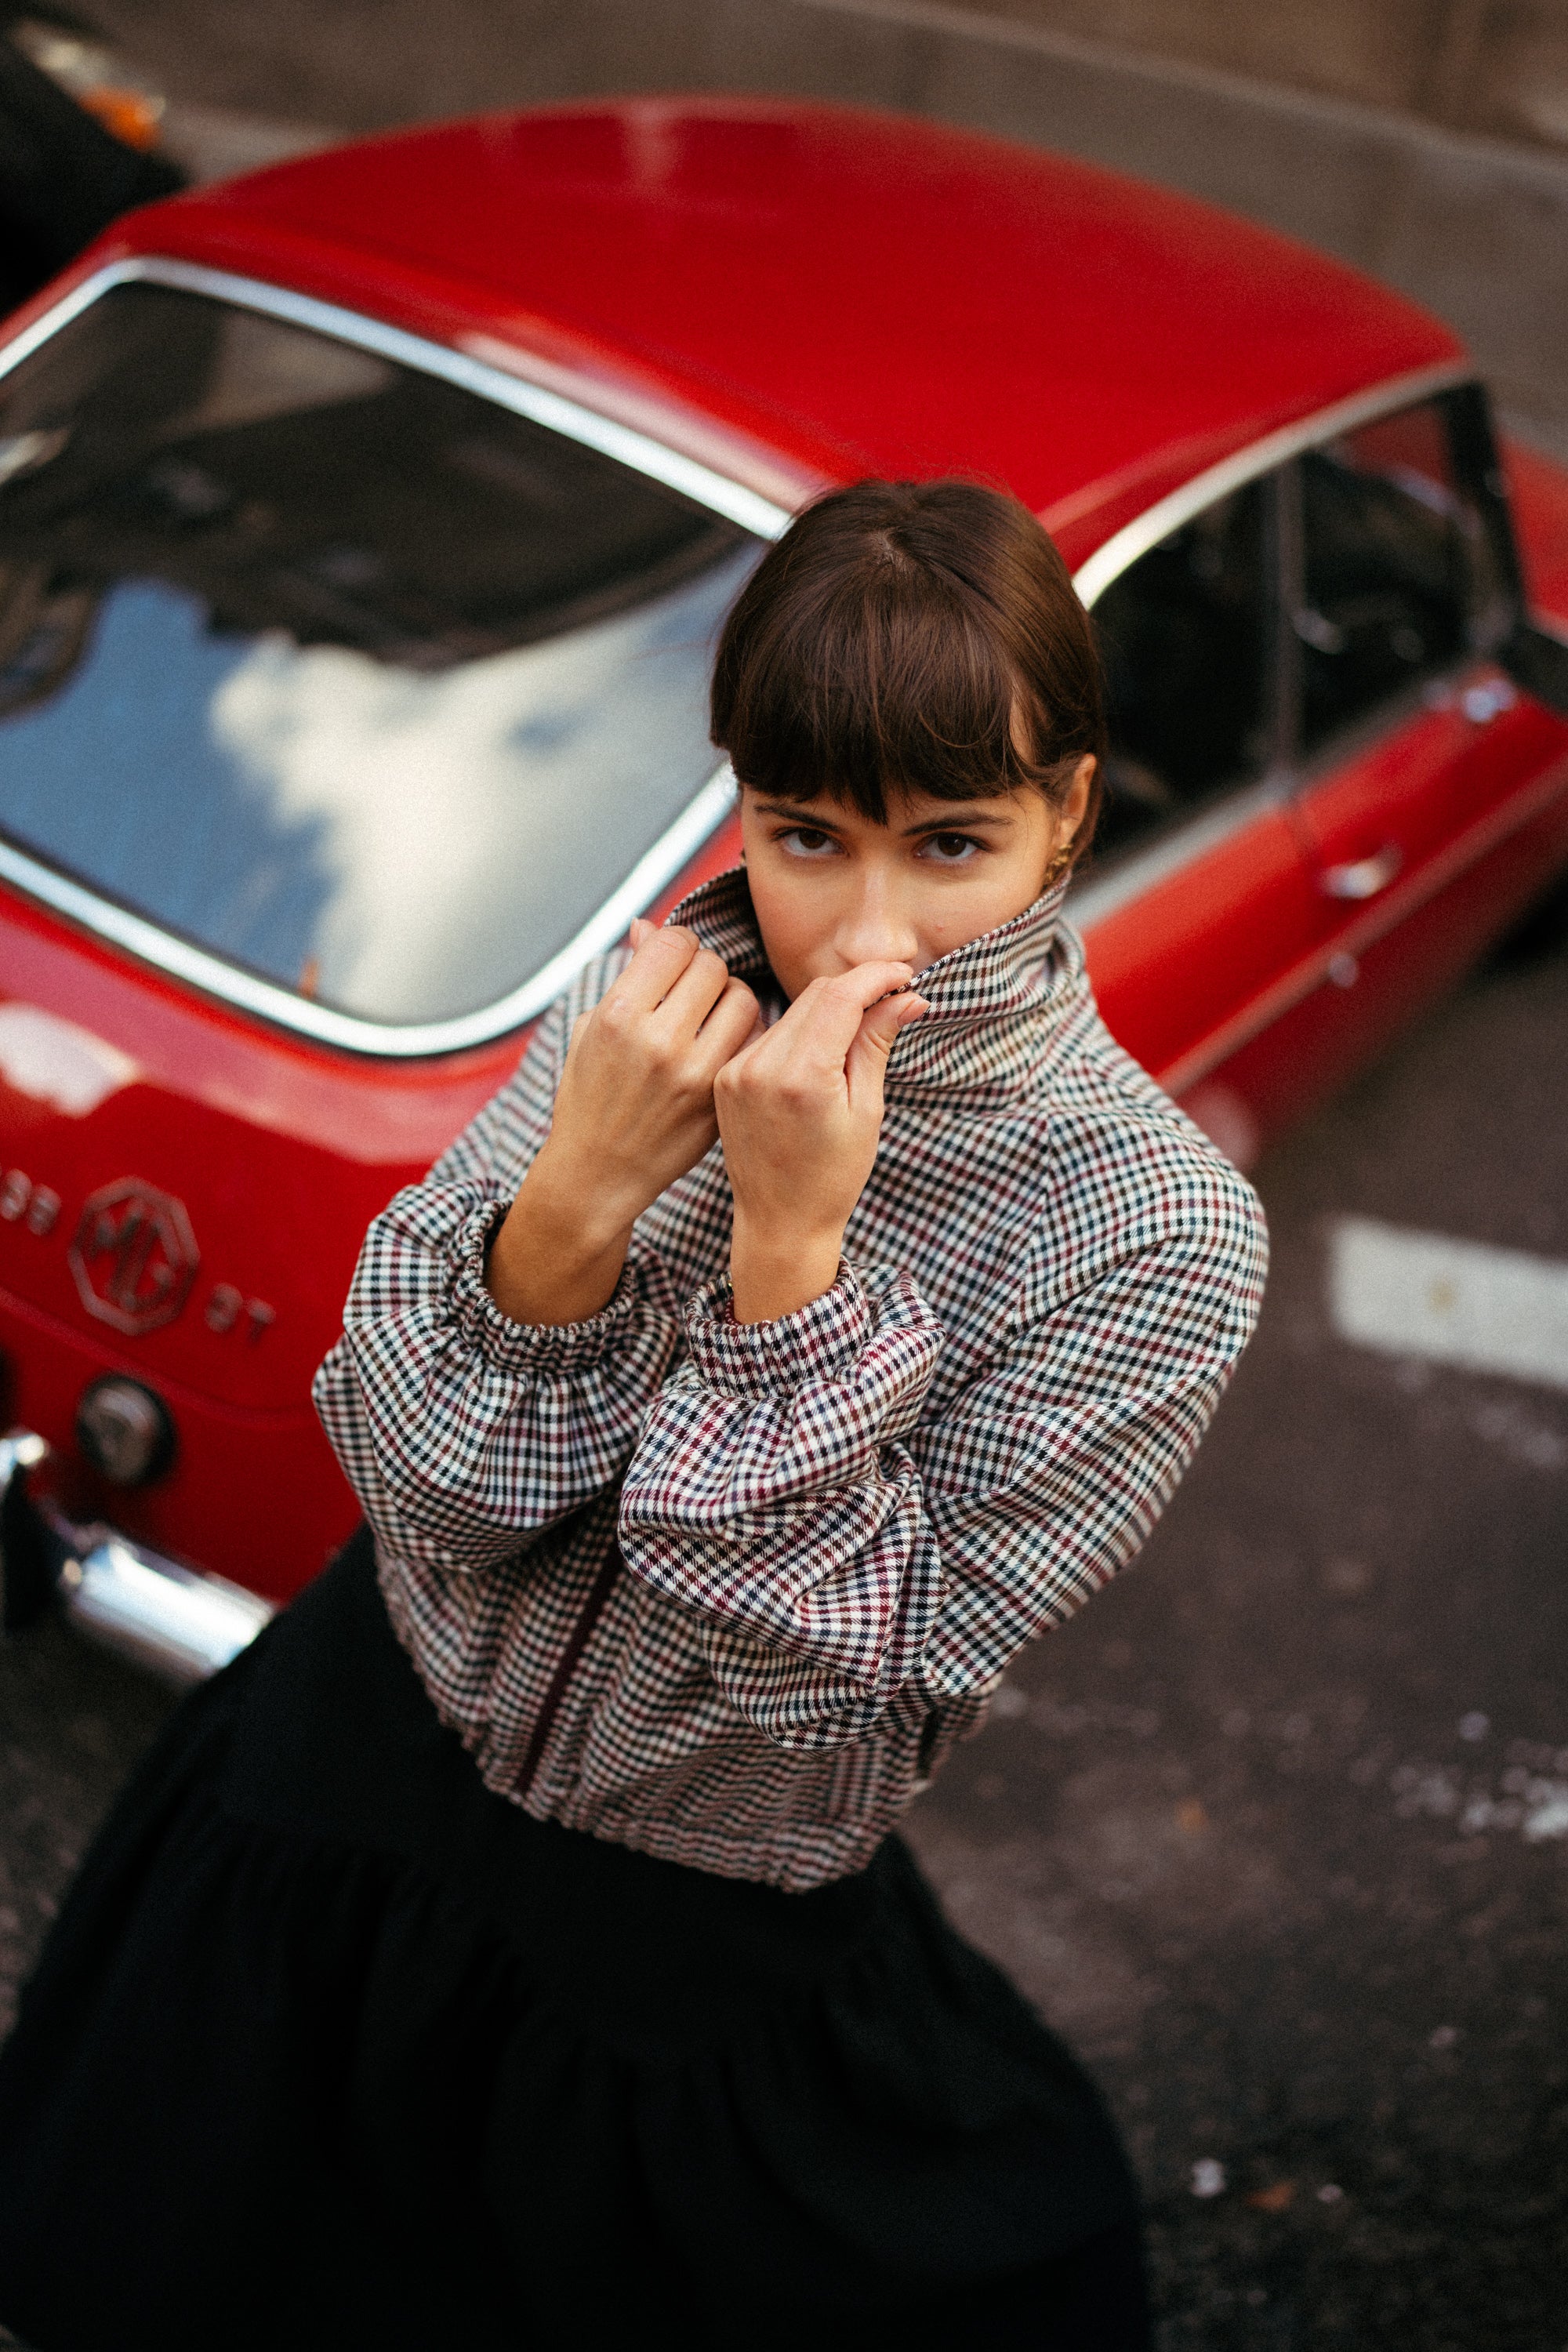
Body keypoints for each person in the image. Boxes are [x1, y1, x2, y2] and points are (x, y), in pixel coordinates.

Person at [0, 479, 1266, 2351]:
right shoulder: (643, 1003)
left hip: (678, 1939)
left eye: (955, 841)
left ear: (1072, 811)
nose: (865, 928)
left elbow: (826, 1683)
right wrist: (576, 1199)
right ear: (737, 795)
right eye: (806, 832)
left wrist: (790, 1262)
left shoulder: (1157, 1232)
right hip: (340, 1771)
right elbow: (416, 1480)